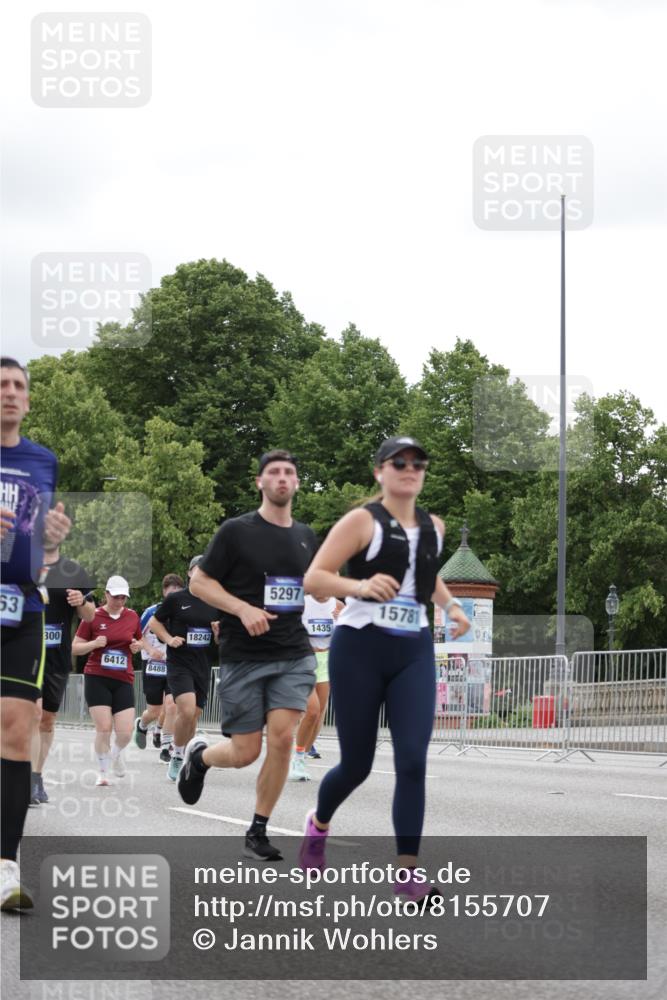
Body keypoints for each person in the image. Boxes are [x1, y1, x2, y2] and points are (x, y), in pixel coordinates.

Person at [298, 436, 471, 901]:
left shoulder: (434, 525)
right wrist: (359, 585)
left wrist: (451, 607)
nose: (410, 468)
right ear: (380, 471)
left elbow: (425, 572)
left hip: (412, 648)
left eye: (418, 463)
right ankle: (318, 825)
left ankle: (408, 875)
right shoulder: (362, 521)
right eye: (399, 462)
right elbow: (314, 578)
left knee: (412, 760)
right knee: (357, 764)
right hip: (360, 647)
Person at [177, 449, 318, 861]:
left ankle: (258, 830)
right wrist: (241, 608)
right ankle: (200, 759)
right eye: (273, 472)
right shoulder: (236, 532)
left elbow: (314, 582)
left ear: (296, 482)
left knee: (281, 738)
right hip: (244, 654)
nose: (281, 478)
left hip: (293, 652)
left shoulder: (306, 536)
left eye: (289, 472)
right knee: (245, 752)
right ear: (259, 482)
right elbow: (200, 583)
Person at [1, 357, 71, 911]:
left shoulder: (42, 460)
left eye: (18, 386)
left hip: (20, 608)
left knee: (18, 734)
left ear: (28, 399)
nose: (10, 393)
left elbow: (42, 556)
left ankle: (5, 867)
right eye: (1, 385)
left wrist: (52, 544)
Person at [30, 543, 96, 804]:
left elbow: (90, 615)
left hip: (56, 659)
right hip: (24, 655)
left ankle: (36, 776)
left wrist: (81, 602)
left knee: (47, 719)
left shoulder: (73, 571)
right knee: (31, 715)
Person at [147, 557, 219, 781]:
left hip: (202, 665)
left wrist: (218, 635)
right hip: (179, 664)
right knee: (185, 710)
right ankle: (177, 755)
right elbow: (154, 623)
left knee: (193, 716)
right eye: (198, 571)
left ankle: (183, 752)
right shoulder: (177, 599)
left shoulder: (215, 601)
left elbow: (219, 640)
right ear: (189, 574)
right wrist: (168, 639)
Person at [72, 576, 145, 786]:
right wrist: (94, 643)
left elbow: (139, 639)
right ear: (106, 594)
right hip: (97, 677)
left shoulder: (132, 616)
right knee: (104, 727)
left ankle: (115, 754)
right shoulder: (93, 616)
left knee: (126, 731)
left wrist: (137, 646)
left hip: (123, 678)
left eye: (123, 597)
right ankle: (102, 772)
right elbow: (75, 647)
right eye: (116, 597)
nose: (120, 601)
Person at [288, 593, 341, 781]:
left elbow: (351, 634)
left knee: (318, 716)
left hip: (326, 660)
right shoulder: (302, 602)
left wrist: (342, 621)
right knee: (312, 710)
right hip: (304, 658)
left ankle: (300, 757)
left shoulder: (338, 605)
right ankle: (298, 757)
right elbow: (288, 630)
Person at [133, 573, 184, 764]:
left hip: (174, 665)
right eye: (171, 593)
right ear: (164, 593)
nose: (174, 597)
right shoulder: (151, 612)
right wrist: (149, 649)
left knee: (171, 705)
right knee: (154, 710)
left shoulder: (184, 613)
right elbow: (136, 635)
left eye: (178, 593)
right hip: (153, 665)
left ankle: (166, 746)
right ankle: (143, 724)